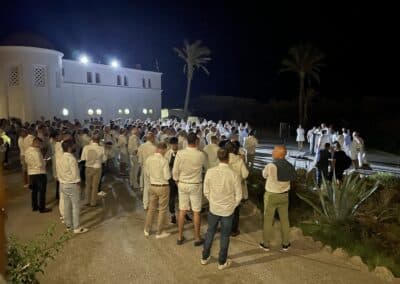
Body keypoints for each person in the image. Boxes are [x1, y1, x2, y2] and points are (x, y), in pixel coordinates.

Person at [201, 148, 242, 270]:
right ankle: (222, 262)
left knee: (210, 232)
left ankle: (204, 257)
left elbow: (206, 191)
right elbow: (239, 196)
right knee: (225, 236)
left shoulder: (210, 172)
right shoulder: (234, 174)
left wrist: (213, 201)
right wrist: (231, 206)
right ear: (228, 159)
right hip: (228, 211)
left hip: (214, 209)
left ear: (218, 157)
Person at [259, 145, 296, 252]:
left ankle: (266, 244)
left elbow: (264, 175)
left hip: (271, 196)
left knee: (268, 220)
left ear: (280, 154)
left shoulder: (271, 165)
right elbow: (293, 177)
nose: (272, 152)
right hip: (284, 196)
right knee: (284, 220)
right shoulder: (289, 165)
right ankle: (286, 244)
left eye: (274, 151)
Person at [173, 132, 207, 246]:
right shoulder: (201, 154)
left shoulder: (180, 153)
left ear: (187, 141)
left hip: (182, 183)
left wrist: (177, 181)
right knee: (196, 211)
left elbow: (175, 171)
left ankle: (179, 237)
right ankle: (197, 238)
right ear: (196, 141)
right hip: (195, 184)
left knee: (182, 210)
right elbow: (206, 168)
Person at [58, 140, 88, 234]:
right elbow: (75, 174)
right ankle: (76, 227)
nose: (75, 147)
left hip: (63, 184)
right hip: (72, 184)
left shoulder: (60, 157)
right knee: (75, 206)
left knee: (67, 205)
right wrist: (79, 184)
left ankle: (68, 225)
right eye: (73, 145)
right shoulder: (71, 159)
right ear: (70, 147)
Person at [143, 142, 171, 239]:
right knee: (162, 210)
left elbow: (146, 173)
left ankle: (147, 229)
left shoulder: (149, 159)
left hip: (152, 186)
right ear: (162, 150)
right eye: (165, 150)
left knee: (151, 209)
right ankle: (159, 232)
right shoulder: (164, 160)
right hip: (163, 187)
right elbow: (167, 176)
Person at [225, 141, 249, 236]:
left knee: (226, 208)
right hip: (236, 188)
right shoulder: (239, 160)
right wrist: (240, 179)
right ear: (234, 149)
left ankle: (225, 228)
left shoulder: (224, 159)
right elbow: (245, 174)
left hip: (225, 187)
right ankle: (234, 230)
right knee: (235, 210)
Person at [25, 137, 52, 213]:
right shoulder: (36, 152)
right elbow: (40, 164)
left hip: (31, 173)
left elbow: (26, 161)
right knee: (42, 191)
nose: (41, 146)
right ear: (36, 142)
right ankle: (42, 208)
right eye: (40, 144)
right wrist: (45, 161)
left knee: (34, 191)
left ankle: (35, 206)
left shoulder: (27, 150)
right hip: (39, 173)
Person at [80, 134, 106, 207]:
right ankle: (93, 202)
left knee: (87, 185)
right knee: (95, 186)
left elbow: (83, 158)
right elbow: (104, 159)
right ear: (99, 140)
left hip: (88, 167)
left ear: (92, 139)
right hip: (97, 168)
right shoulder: (101, 148)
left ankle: (86, 201)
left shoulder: (86, 147)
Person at [137, 132, 156, 210]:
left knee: (146, 186)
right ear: (151, 138)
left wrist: (142, 164)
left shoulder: (141, 146)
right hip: (153, 168)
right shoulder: (154, 148)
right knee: (154, 186)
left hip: (145, 167)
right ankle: (152, 204)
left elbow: (139, 158)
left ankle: (145, 204)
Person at [165, 137, 179, 224]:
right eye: (173, 144)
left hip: (180, 178)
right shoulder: (167, 154)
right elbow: (165, 167)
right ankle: (173, 215)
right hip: (171, 179)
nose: (175, 146)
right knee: (172, 198)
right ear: (170, 145)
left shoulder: (181, 153)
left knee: (181, 197)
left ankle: (183, 214)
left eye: (176, 144)